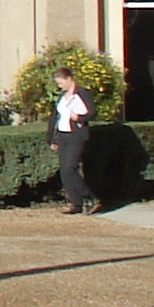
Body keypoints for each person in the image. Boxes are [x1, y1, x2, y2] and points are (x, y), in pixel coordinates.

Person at [51, 65, 98, 213]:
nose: (60, 86)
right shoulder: (61, 97)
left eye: (61, 82)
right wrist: (53, 139)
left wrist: (80, 118)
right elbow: (55, 118)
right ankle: (76, 203)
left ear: (69, 78)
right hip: (63, 134)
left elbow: (92, 112)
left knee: (70, 168)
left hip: (76, 135)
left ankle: (87, 196)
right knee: (64, 171)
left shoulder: (82, 93)